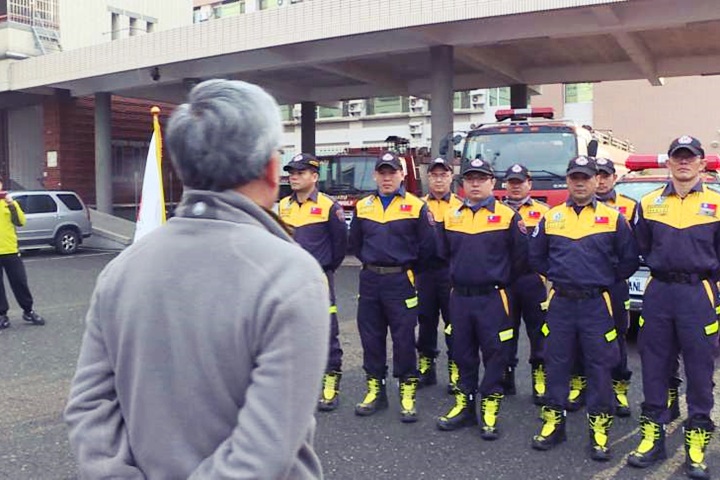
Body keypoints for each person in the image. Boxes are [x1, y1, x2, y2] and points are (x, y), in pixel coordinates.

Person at [64, 79, 330, 479]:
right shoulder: (290, 274)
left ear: (182, 168)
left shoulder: (122, 269)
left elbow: (89, 406)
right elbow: (263, 451)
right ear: (271, 169)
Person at [529, 156, 639, 461]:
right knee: (557, 363)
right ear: (567, 180)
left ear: (596, 181)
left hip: (596, 304)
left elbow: (629, 260)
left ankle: (599, 430)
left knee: (599, 366)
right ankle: (554, 424)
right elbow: (536, 257)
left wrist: (602, 279)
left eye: (586, 178)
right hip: (562, 302)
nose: (580, 182)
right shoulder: (551, 218)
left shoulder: (613, 218)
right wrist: (560, 277)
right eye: (575, 177)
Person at [628, 136, 720, 479]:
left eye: (690, 157)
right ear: (668, 163)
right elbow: (641, 246)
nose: (683, 163)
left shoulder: (717, 203)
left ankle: (696, 442)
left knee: (699, 369)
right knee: (654, 366)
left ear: (701, 163)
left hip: (699, 294)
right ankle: (652, 438)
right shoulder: (649, 203)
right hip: (660, 292)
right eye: (677, 157)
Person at [436, 157, 528, 440]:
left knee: (495, 354)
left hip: (493, 298)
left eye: (481, 178)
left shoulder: (508, 216)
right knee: (462, 353)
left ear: (492, 182)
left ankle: (489, 408)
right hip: (460, 298)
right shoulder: (451, 215)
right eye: (470, 179)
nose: (475, 183)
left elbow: (520, 260)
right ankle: (464, 407)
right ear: (462, 184)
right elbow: (443, 254)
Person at [349, 151, 436, 423]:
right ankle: (375, 390)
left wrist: (405, 269)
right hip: (371, 280)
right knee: (371, 337)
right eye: (382, 173)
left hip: (402, 281)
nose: (387, 178)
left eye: (392, 173)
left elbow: (428, 248)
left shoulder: (416, 206)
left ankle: (407, 391)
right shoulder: (363, 206)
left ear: (402, 175)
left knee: (404, 338)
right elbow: (355, 245)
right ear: (375, 175)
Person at [278, 152, 348, 412]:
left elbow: (340, 245)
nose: (293, 177)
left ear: (314, 176)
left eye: (300, 173)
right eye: (291, 172)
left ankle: (331, 381)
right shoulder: (283, 205)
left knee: (327, 331)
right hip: (290, 280)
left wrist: (326, 268)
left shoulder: (330, 207)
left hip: (319, 279)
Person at [501, 163, 549, 404]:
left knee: (538, 332)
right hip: (505, 282)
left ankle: (539, 378)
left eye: (520, 182)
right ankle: (506, 375)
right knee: (505, 332)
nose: (516, 187)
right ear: (505, 185)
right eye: (512, 182)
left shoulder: (544, 212)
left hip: (533, 282)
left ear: (529, 184)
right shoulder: (496, 212)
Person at [594, 157, 638, 417]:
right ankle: (581, 385)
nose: (600, 180)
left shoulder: (630, 207)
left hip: (614, 285)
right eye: (596, 175)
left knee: (618, 335)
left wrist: (613, 276)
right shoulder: (575, 207)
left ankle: (619, 387)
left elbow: (637, 247)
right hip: (586, 286)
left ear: (614, 178)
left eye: (605, 175)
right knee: (581, 336)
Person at [416, 157, 463, 392]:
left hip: (450, 274)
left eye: (443, 175)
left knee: (453, 323)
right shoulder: (417, 206)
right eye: (434, 175)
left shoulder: (461, 207)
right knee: (425, 320)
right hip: (424, 273)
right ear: (428, 177)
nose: (438, 179)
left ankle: (456, 369)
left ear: (451, 177)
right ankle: (426, 366)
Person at [0, 181, 45, 330]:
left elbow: (20, 222)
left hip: (11, 250)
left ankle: (28, 310)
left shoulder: (9, 202)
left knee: (19, 281)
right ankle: (2, 315)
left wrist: (12, 205)